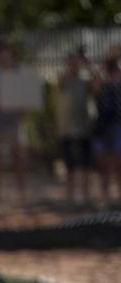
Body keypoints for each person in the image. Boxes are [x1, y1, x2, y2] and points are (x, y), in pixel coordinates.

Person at [0, 43, 26, 205]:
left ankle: (21, 193)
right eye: (0, 54)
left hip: (13, 123)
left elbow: (26, 98)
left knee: (17, 157)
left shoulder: (19, 72)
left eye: (6, 54)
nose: (3, 57)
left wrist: (23, 114)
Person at [56, 49, 94, 205]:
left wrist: (88, 64)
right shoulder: (63, 79)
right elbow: (60, 84)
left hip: (84, 129)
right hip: (66, 129)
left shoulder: (85, 81)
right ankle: (69, 198)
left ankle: (85, 197)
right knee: (69, 166)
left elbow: (98, 84)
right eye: (72, 62)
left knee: (85, 165)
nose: (74, 65)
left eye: (76, 62)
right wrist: (69, 65)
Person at [90, 54, 121, 205]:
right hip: (102, 128)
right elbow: (95, 83)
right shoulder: (101, 84)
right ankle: (105, 197)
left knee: (118, 164)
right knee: (103, 166)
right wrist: (102, 68)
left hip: (117, 127)